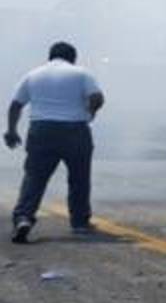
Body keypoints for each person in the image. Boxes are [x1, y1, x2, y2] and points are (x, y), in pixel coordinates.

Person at [5, 42, 104, 242]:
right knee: (79, 178)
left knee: (34, 177)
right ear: (72, 57)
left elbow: (16, 105)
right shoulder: (81, 73)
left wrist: (11, 130)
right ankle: (79, 223)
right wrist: (90, 112)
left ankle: (23, 217)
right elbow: (97, 97)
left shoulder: (33, 75)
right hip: (75, 130)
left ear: (50, 56)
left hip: (42, 129)